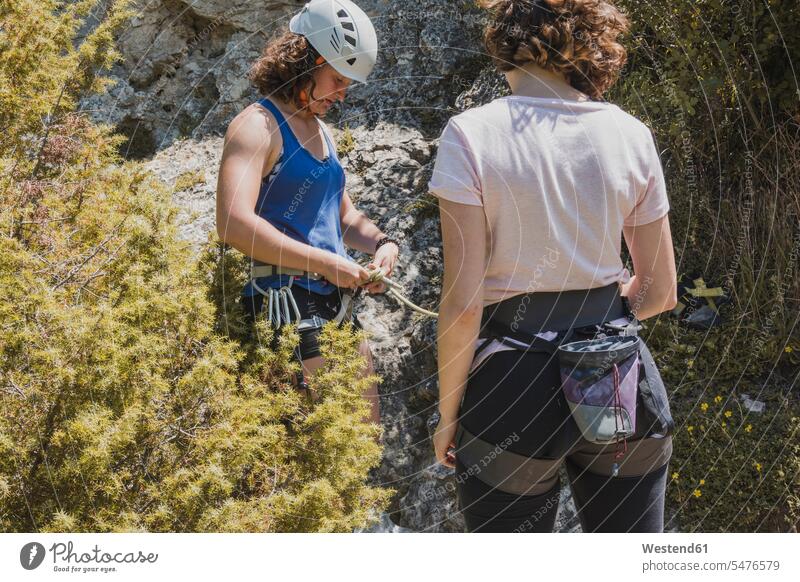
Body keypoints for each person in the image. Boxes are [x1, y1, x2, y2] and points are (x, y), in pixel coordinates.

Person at [429, 0, 678, 532]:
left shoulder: (470, 134)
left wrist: (448, 415)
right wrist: (598, 324)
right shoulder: (631, 133)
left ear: (505, 38)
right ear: (591, 43)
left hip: (513, 384)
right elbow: (659, 292)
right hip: (620, 374)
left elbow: (464, 303)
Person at [215, 0, 397, 427]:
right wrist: (327, 263)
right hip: (285, 301)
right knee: (322, 441)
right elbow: (232, 222)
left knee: (362, 442)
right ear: (306, 61)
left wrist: (383, 244)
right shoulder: (257, 125)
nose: (342, 93)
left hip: (335, 301)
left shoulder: (320, 132)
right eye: (336, 79)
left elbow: (342, 217)